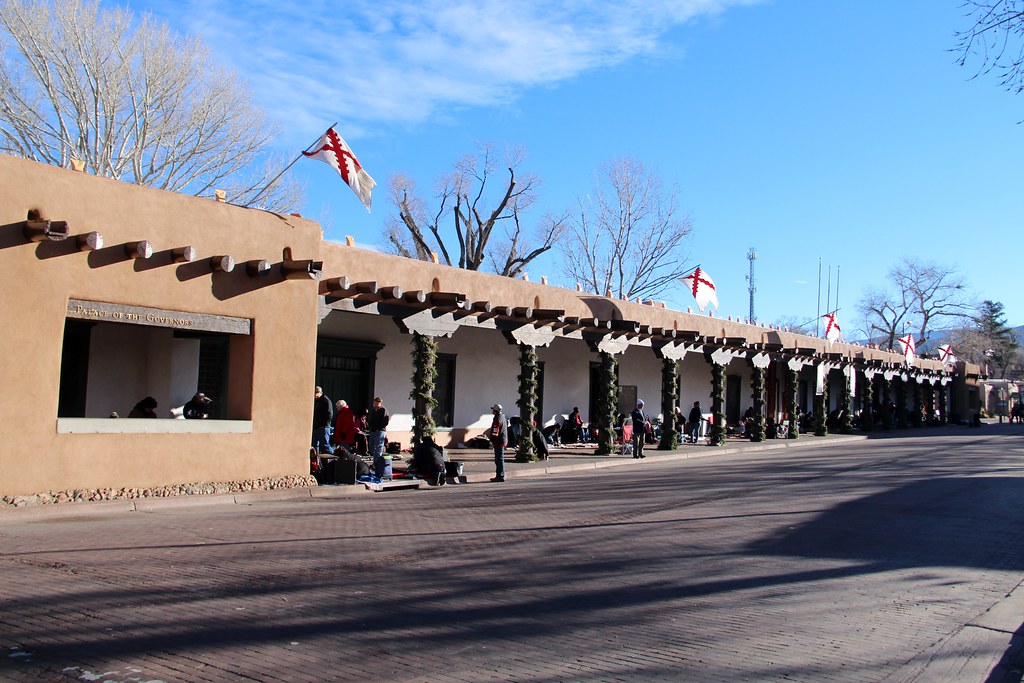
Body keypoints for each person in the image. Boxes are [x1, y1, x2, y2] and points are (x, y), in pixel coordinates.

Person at [367, 396, 390, 479]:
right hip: (372, 431)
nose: (376, 404)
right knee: (372, 447)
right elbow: (371, 420)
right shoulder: (373, 410)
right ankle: (376, 461)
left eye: (378, 402)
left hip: (380, 431)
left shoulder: (383, 410)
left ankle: (376, 463)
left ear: (380, 403)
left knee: (378, 447)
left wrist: (379, 427)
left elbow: (385, 421)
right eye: (375, 402)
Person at [312, 386, 334, 454]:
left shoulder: (326, 401)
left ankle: (333, 457)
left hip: (323, 427)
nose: (315, 396)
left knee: (325, 446)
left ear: (320, 393)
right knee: (315, 446)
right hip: (317, 426)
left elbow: (329, 414)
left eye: (316, 394)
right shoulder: (317, 401)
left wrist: (325, 424)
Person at [489, 403, 507, 482]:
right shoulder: (503, 417)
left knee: (499, 459)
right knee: (500, 458)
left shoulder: (497, 419)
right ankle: (500, 475)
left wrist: (492, 440)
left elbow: (495, 432)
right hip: (503, 440)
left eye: (493, 409)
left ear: (495, 410)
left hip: (498, 441)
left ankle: (500, 475)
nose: (492, 411)